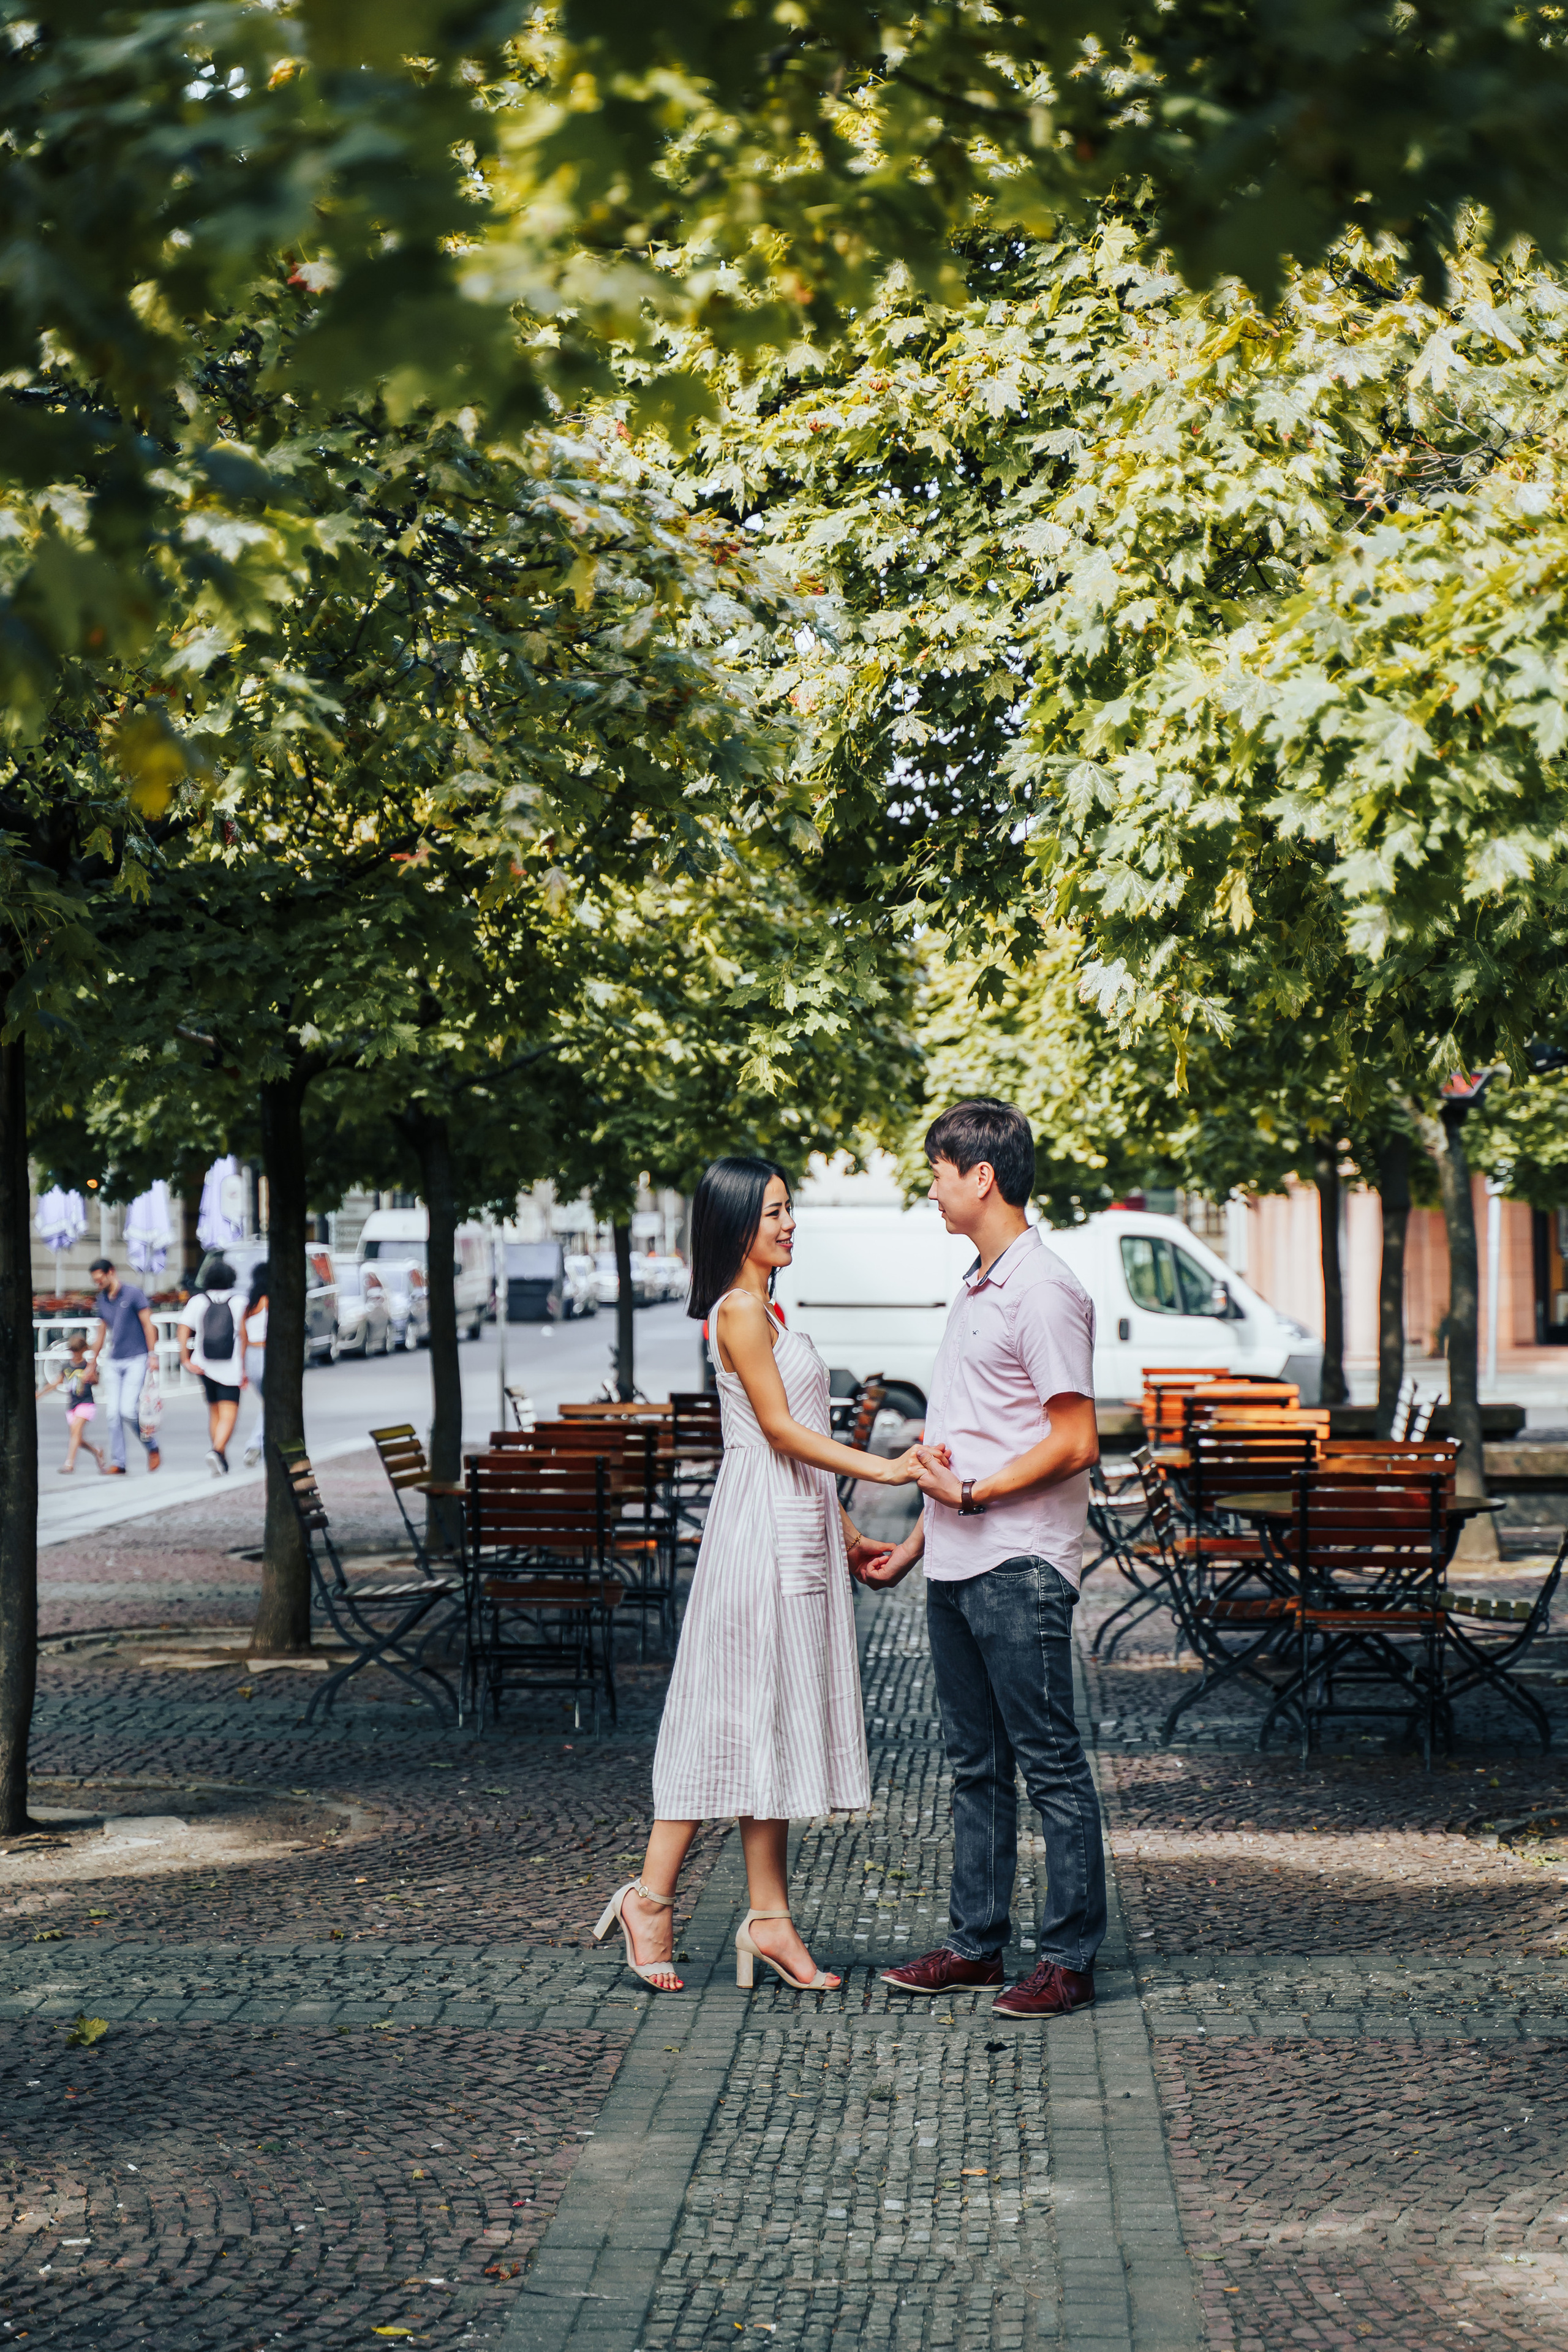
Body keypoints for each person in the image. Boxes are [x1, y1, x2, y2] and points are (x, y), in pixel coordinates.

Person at [595, 1156, 927, 1996]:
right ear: (736, 1221)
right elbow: (781, 1432)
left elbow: (799, 1434)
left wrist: (846, 1530)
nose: (789, 1225)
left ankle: (770, 1919)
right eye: (774, 1211)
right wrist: (886, 1471)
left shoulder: (767, 1307)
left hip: (793, 1529)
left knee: (769, 1715)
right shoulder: (740, 1309)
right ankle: (651, 1898)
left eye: (791, 1210)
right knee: (728, 1708)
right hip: (754, 1539)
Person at [854, 1098, 1107, 2022]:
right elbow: (968, 1443)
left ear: (981, 1177)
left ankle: (1070, 1959)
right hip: (961, 1565)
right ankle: (975, 1946)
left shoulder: (1043, 1288)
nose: (930, 1187)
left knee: (1050, 1766)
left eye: (935, 1171)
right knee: (975, 1766)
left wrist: (976, 1498)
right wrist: (920, 1542)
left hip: (1019, 1564)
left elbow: (1076, 1440)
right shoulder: (978, 1283)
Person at [84, 1257, 161, 1476]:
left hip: (137, 1358)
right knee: (112, 1414)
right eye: (95, 1281)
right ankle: (119, 1462)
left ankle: (152, 1447)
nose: (98, 1284)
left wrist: (152, 1354)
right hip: (114, 1360)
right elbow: (101, 1332)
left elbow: (148, 1325)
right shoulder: (102, 1299)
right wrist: (92, 1364)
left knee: (128, 1410)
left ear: (111, 1272)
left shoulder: (133, 1293)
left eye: (100, 1279)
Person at [178, 1256, 244, 1476]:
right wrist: (244, 1367)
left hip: (203, 1364)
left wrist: (186, 1359)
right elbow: (244, 1336)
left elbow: (183, 1329)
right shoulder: (239, 1302)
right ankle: (216, 1451)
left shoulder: (198, 1301)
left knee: (214, 1411)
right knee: (229, 1413)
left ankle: (221, 1456)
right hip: (231, 1366)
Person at [37, 1333, 106, 1475]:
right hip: (73, 1405)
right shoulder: (66, 1367)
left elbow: (97, 1382)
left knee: (75, 1433)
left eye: (76, 1351)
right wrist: (41, 1393)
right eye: (72, 1351)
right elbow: (56, 1383)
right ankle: (96, 1451)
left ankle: (69, 1464)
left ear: (82, 1351)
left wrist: (92, 1375)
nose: (74, 1354)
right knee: (77, 1438)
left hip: (86, 1404)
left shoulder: (87, 1366)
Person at [241, 1264, 269, 1466]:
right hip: (266, 1353)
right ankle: (255, 1443)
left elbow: (242, 1337)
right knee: (271, 1404)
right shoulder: (270, 1301)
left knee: (267, 1402)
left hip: (251, 1355)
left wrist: (242, 1367)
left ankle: (261, 1443)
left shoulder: (249, 1306)